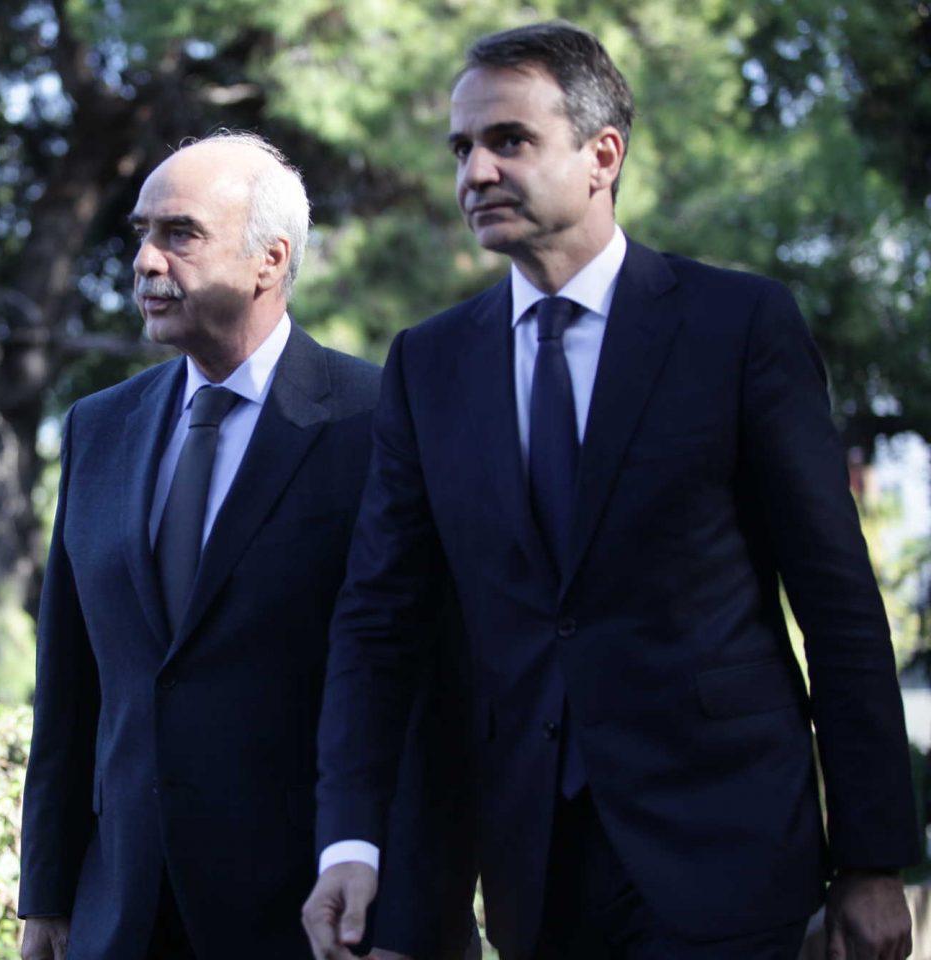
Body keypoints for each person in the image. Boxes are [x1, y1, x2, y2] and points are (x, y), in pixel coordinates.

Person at [303, 21, 920, 960]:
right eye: (462, 148)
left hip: (732, 851)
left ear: (603, 156)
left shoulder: (737, 326)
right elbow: (378, 620)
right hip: (533, 867)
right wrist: (352, 840)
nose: (475, 172)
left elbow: (836, 600)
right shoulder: (428, 364)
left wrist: (872, 859)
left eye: (509, 140)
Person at [17, 131, 476, 960]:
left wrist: (413, 923)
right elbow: (70, 685)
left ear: (271, 260)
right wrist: (47, 895)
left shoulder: (381, 421)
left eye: (180, 234)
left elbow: (428, 695)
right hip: (119, 917)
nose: (146, 262)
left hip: (313, 920)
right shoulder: (97, 429)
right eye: (141, 234)